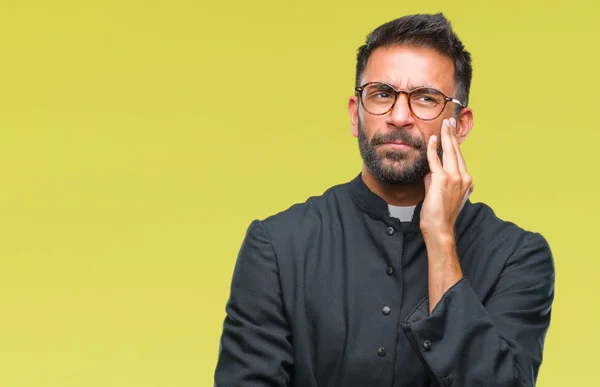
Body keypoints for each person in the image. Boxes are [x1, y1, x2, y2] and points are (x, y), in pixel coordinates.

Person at [213, 12, 555, 387]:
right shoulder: (278, 247)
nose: (399, 116)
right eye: (382, 94)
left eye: (425, 98)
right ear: (355, 115)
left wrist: (440, 238)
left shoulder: (517, 257)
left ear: (460, 124)